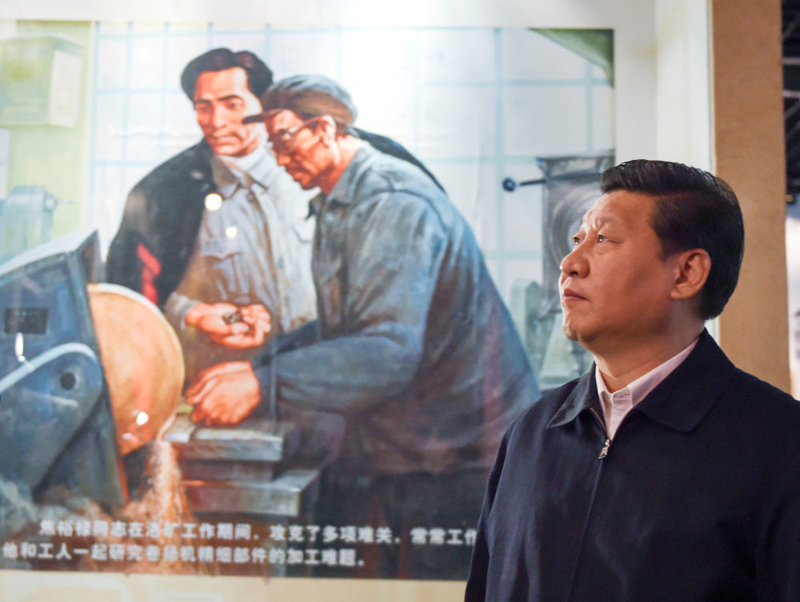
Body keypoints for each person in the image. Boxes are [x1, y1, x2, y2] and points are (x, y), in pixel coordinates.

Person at [184, 75, 539, 578]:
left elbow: (388, 350)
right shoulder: (337, 201)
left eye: (284, 139)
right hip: (415, 448)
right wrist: (258, 364)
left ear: (324, 130)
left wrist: (263, 384)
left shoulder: (392, 203)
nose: (278, 158)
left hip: (463, 456)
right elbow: (345, 327)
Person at [464, 160, 800, 601]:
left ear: (686, 274)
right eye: (577, 240)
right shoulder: (531, 433)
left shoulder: (779, 442)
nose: (569, 263)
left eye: (603, 239)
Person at [105, 48, 317, 381]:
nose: (216, 122)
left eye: (232, 105)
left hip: (317, 375)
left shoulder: (313, 171)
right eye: (204, 107)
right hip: (217, 380)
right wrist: (195, 314)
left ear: (264, 106)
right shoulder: (162, 191)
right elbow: (129, 302)